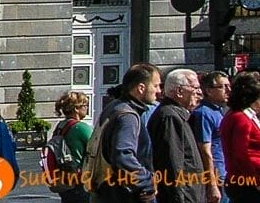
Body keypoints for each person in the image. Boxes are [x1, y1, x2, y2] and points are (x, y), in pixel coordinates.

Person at [94, 62, 160, 203]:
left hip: (109, 191)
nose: (159, 91)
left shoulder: (115, 106)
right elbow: (123, 155)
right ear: (141, 88)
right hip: (125, 194)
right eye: (155, 86)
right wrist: (147, 181)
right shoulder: (128, 116)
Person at [147, 68, 208, 203]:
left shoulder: (179, 115)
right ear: (179, 91)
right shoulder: (170, 117)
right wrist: (178, 198)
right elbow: (172, 164)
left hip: (191, 194)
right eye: (195, 88)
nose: (200, 93)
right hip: (183, 196)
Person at [220, 71, 260, 203]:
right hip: (246, 183)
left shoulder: (238, 115)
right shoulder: (240, 118)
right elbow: (241, 154)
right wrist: (255, 181)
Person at [192, 71, 230, 203]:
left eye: (229, 86)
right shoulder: (203, 113)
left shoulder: (220, 111)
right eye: (223, 87)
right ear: (208, 91)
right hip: (216, 175)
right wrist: (212, 184)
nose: (228, 90)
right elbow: (205, 151)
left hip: (225, 171)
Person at [51, 91, 94, 203]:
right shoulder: (81, 128)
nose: (87, 108)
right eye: (85, 105)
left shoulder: (60, 126)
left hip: (64, 179)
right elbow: (97, 147)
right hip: (80, 180)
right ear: (76, 109)